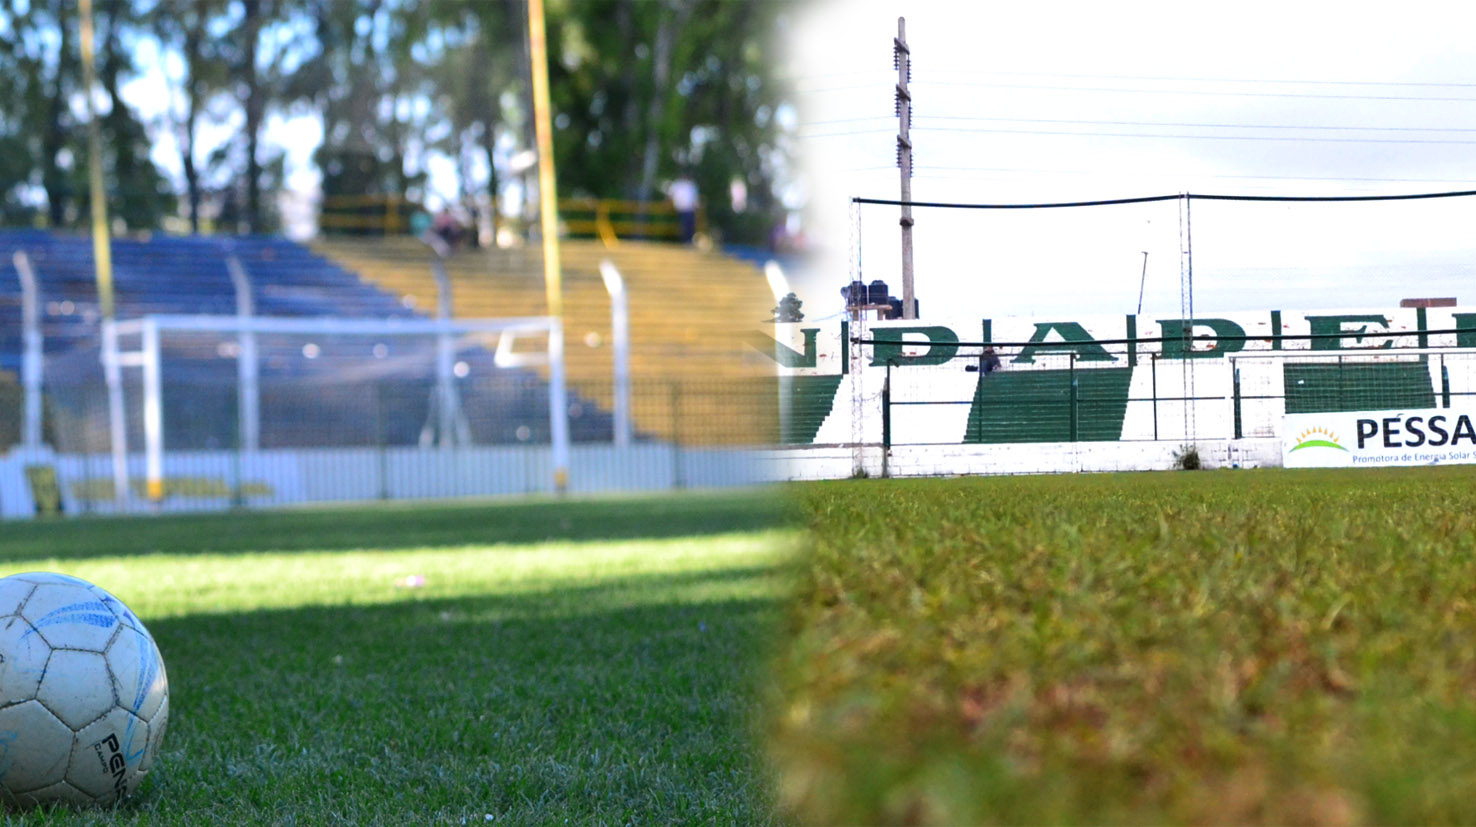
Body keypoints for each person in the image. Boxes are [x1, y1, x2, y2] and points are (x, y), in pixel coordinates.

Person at [668, 174, 698, 243]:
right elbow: (670, 195)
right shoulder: (677, 184)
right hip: (682, 208)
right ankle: (685, 240)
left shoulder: (690, 185)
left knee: (690, 226)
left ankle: (688, 240)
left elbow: (694, 197)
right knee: (684, 225)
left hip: (690, 209)